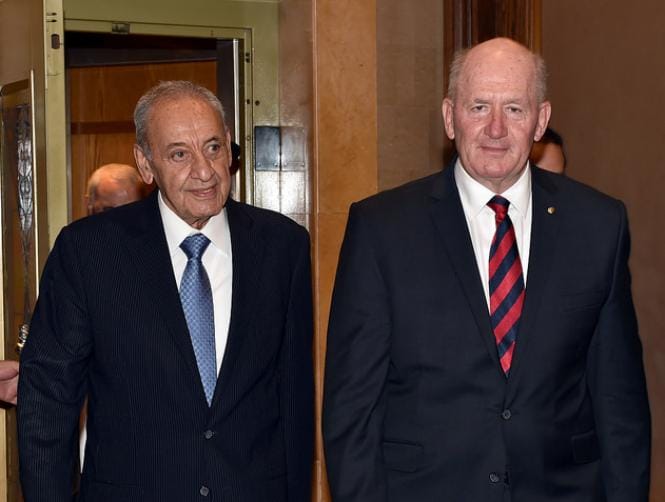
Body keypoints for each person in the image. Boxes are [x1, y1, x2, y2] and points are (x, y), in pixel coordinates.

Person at [323, 38, 650, 502]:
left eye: (514, 109)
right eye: (479, 107)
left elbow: (621, 403)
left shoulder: (599, 225)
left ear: (541, 120)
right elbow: (352, 409)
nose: (495, 128)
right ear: (449, 117)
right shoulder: (382, 229)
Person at [18, 80, 314, 502]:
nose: (204, 171)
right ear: (145, 163)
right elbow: (48, 401)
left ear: (230, 145)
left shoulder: (283, 246)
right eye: (179, 154)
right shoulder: (89, 252)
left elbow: (294, 400)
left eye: (213, 147)